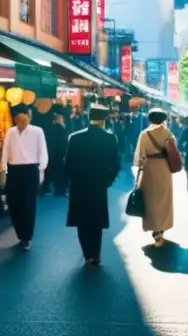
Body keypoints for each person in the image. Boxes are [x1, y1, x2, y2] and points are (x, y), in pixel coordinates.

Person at [64, 105, 121, 266]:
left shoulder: (75, 137)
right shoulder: (109, 138)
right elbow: (115, 164)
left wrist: (72, 179)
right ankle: (95, 254)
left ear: (89, 118)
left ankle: (87, 253)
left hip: (79, 184)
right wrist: (107, 181)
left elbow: (68, 163)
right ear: (104, 120)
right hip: (98, 184)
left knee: (82, 220)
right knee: (96, 220)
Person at [0, 108, 48, 249]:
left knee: (28, 204)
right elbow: (5, 150)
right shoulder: (11, 132)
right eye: (18, 119)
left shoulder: (37, 131)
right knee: (13, 203)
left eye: (24, 118)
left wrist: (41, 171)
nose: (21, 121)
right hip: (14, 170)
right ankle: (19, 232)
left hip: (30, 170)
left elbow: (42, 151)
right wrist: (4, 170)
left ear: (29, 117)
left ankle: (26, 237)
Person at [135, 108, 176, 247]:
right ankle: (161, 228)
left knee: (150, 200)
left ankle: (153, 227)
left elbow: (140, 157)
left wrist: (140, 167)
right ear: (163, 119)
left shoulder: (144, 134)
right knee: (164, 199)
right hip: (164, 169)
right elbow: (174, 152)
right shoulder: (168, 133)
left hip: (149, 169)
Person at [43, 112, 69, 196]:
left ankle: (45, 188)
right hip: (58, 153)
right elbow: (63, 142)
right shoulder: (61, 128)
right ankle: (59, 189)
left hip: (51, 152)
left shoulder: (51, 127)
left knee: (50, 170)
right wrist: (65, 152)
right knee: (58, 171)